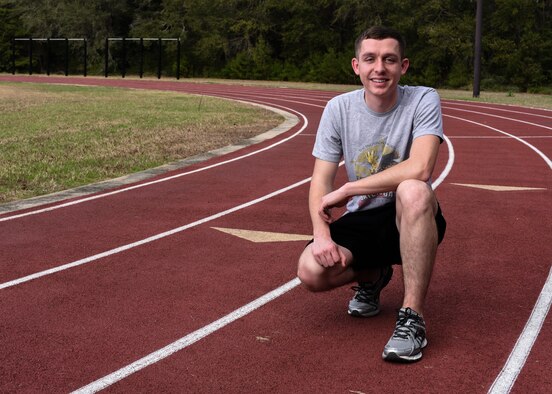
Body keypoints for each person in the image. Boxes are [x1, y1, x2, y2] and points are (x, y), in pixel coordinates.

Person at [297, 26, 446, 362]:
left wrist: (349, 187)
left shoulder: (423, 98)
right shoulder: (338, 109)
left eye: (389, 60)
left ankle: (412, 317)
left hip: (411, 216)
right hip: (364, 217)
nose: (380, 68)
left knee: (413, 190)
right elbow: (320, 180)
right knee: (310, 271)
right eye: (371, 59)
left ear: (403, 66)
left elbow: (421, 167)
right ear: (356, 66)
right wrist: (320, 235)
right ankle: (374, 275)